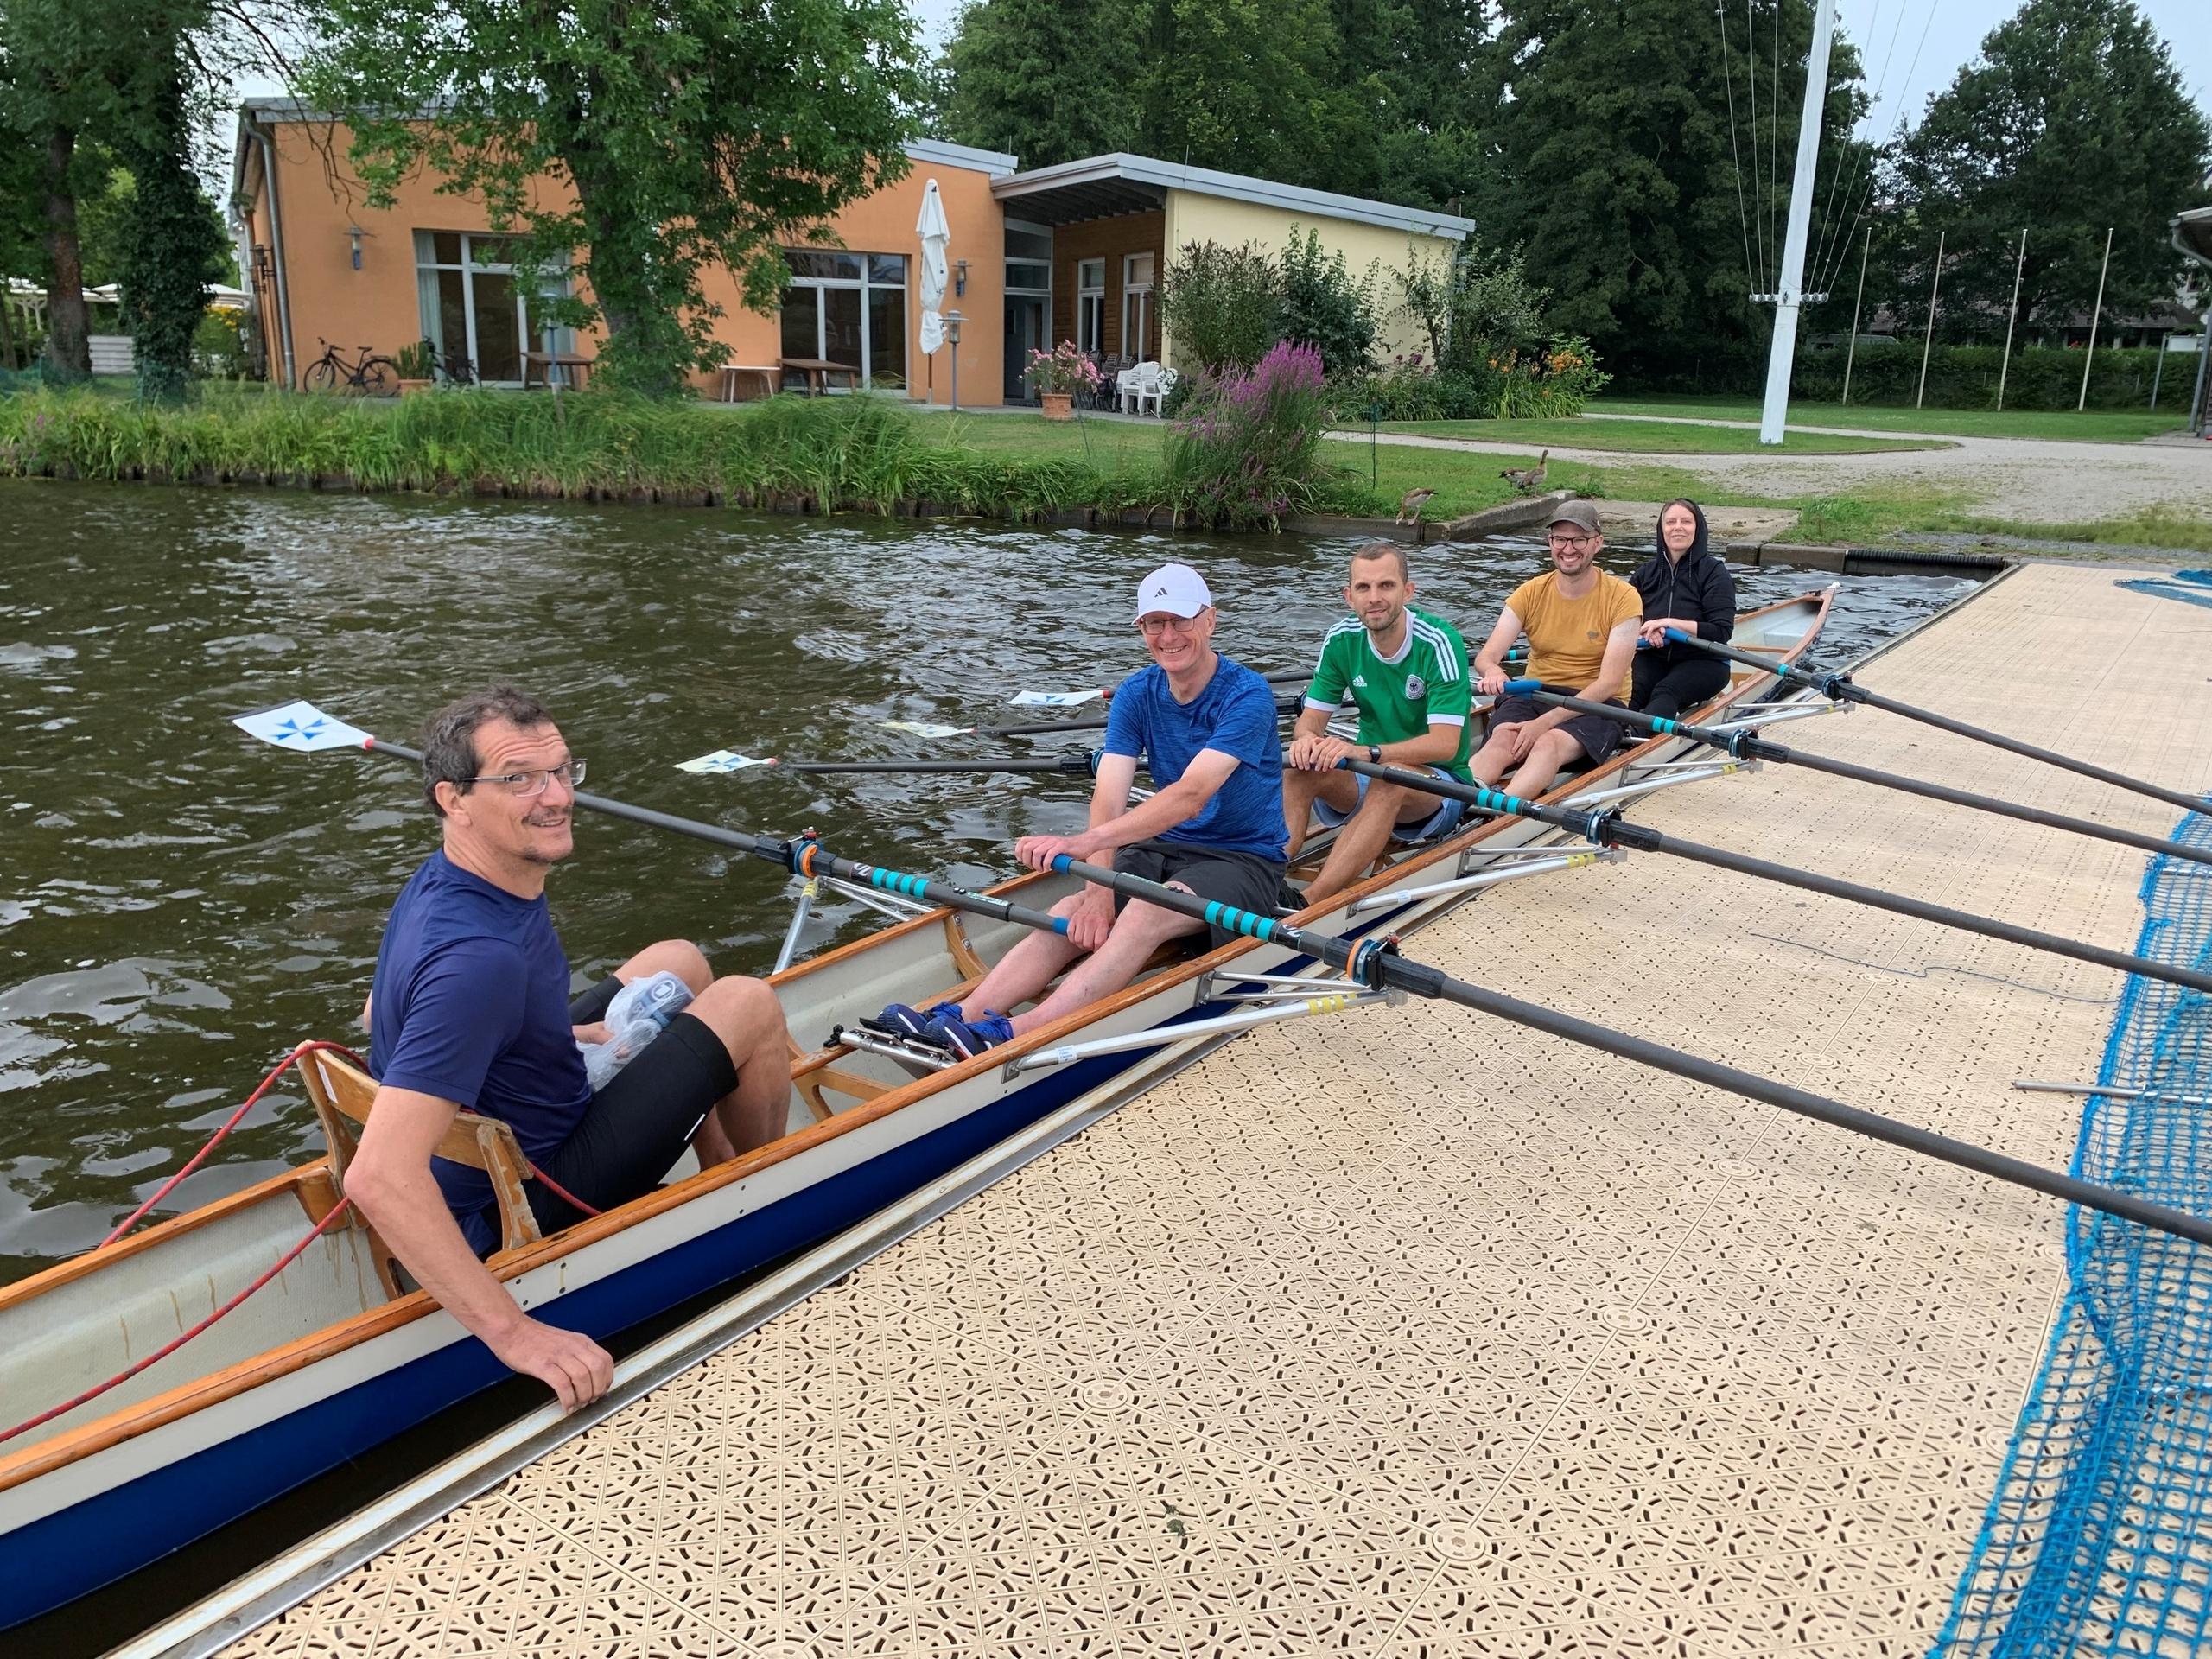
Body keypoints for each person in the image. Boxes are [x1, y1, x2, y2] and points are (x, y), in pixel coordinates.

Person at [351, 685, 791, 1411]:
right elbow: (377, 1178)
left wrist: (545, 1030)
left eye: (560, 771)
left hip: (517, 1115)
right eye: (519, 779)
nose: (556, 797)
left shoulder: (447, 881)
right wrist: (516, 1335)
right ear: (455, 800)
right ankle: (767, 1195)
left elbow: (380, 1012)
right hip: (527, 1194)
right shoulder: (479, 963)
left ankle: (718, 1167)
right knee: (749, 1002)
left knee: (677, 962)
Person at [880, 563, 1290, 1058]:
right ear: (1141, 629)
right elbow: (1109, 795)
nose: (1168, 636)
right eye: (1154, 623)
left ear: (1209, 620)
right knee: (1070, 911)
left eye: (1180, 620)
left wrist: (1084, 845)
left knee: (1143, 911)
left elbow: (1190, 797)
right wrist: (1098, 891)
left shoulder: (1248, 694)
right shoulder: (1137, 693)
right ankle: (959, 1017)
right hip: (1165, 846)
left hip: (1244, 858)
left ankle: (1014, 1034)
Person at [1281, 543, 1474, 903]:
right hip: (1371, 770)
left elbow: (1446, 744)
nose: (1374, 598)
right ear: (1349, 597)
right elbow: (1310, 722)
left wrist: (1367, 752)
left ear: (1408, 591)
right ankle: (1264, 876)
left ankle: (1307, 904)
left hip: (1441, 784)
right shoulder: (1340, 640)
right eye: (1363, 588)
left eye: (1386, 585)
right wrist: (1306, 740)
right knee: (1297, 770)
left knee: (1391, 780)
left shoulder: (1439, 641)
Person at [1470, 499, 1643, 798]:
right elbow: (1486, 657)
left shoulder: (1623, 598)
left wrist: (1544, 723)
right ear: (1550, 542)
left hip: (1599, 703)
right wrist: (1493, 671)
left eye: (1579, 540)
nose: (1568, 549)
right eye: (1560, 539)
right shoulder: (1530, 592)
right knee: (1502, 739)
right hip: (1536, 694)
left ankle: (1500, 814)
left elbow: (1609, 682)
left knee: (1547, 743)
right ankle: (1455, 805)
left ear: (1598, 543)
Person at [1629, 498, 1737, 720]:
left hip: (1705, 661)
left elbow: (1721, 631)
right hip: (1653, 656)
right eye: (1671, 522)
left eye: (1686, 522)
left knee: (1665, 692)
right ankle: (1606, 734)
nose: (1678, 527)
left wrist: (1669, 624)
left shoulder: (1714, 573)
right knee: (1630, 691)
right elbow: (1623, 618)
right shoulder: (1646, 573)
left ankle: (1639, 736)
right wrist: (1645, 631)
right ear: (1662, 529)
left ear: (1698, 528)